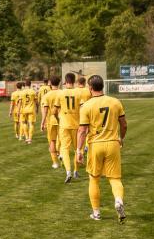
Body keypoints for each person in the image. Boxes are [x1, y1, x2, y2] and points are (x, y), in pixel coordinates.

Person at [76, 75, 127, 223]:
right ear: (103, 86)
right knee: (115, 178)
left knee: (94, 179)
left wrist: (79, 151)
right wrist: (121, 138)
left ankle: (96, 213)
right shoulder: (115, 102)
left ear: (90, 88)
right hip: (112, 143)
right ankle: (118, 200)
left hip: (95, 145)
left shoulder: (86, 105)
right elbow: (124, 124)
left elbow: (82, 131)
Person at [53, 73, 86, 182]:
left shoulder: (61, 93)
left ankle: (68, 172)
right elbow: (83, 107)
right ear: (74, 81)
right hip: (76, 125)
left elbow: (54, 110)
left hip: (64, 125)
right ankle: (76, 171)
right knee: (77, 148)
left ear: (65, 81)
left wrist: (58, 117)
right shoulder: (78, 92)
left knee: (65, 149)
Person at [39, 76, 62, 169]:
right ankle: (61, 154)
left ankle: (55, 163)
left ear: (50, 84)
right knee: (62, 139)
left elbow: (45, 110)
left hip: (51, 120)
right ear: (59, 83)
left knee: (52, 141)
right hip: (62, 119)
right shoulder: (63, 93)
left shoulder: (47, 95)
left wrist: (42, 122)